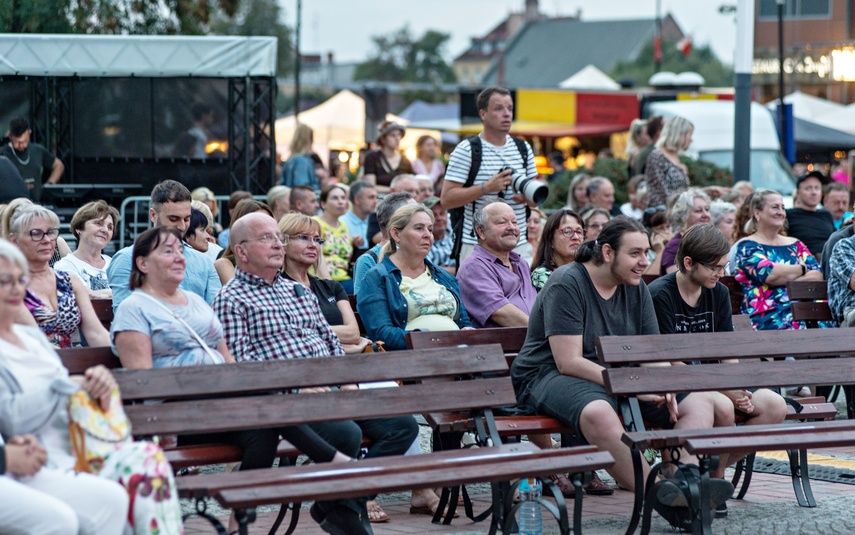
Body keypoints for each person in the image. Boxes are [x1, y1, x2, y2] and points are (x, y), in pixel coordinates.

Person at [510, 217, 731, 519]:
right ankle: (661, 497)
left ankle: (686, 482)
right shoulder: (567, 282)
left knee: (697, 401)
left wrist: (663, 381)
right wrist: (632, 384)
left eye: (646, 253)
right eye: (636, 253)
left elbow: (652, 350)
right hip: (547, 376)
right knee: (599, 412)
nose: (644, 262)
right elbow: (568, 361)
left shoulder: (636, 286)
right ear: (608, 252)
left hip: (615, 376)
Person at [214, 212, 406, 534]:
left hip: (329, 388)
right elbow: (243, 367)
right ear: (242, 252)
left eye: (278, 236)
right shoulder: (232, 299)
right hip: (288, 400)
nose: (277, 243)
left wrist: (346, 382)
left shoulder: (299, 292)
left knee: (400, 426)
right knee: (347, 433)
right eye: (266, 238)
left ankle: (335, 505)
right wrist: (297, 389)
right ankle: (347, 514)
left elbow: (331, 343)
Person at [0, 238, 186, 534]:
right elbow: (13, 418)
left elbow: (69, 389)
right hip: (42, 457)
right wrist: (66, 388)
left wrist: (93, 385)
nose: (13, 288)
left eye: (18, 280)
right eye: (2, 281)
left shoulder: (30, 338)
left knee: (145, 461)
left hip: (83, 445)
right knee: (124, 486)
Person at [279, 213, 419, 523]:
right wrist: (333, 335)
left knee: (404, 426)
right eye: (304, 238)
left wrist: (322, 332)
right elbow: (298, 335)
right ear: (283, 242)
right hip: (312, 384)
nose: (313, 245)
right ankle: (351, 500)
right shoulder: (279, 289)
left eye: (318, 239)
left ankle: (352, 495)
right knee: (350, 432)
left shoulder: (329, 286)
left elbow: (353, 333)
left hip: (348, 376)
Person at [649, 224, 787, 516]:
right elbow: (671, 360)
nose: (720, 274)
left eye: (724, 267)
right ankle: (715, 480)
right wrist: (727, 391)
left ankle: (710, 474)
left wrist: (738, 390)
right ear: (689, 263)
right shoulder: (661, 293)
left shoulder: (718, 293)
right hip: (680, 385)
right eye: (714, 267)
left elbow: (726, 353)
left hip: (716, 383)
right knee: (723, 405)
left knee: (774, 405)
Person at [441, 87, 537, 264]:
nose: (507, 114)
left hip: (518, 245)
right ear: (483, 114)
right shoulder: (467, 150)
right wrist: (486, 188)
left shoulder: (523, 148)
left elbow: (535, 195)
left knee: (523, 293)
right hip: (477, 246)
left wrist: (528, 198)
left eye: (510, 108)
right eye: (499, 109)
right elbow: (446, 199)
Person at [358, 204, 471, 350]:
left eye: (430, 229)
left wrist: (469, 332)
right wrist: (434, 341)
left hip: (457, 352)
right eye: (419, 228)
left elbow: (465, 323)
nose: (427, 235)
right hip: (412, 359)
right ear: (396, 234)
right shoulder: (377, 278)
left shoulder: (443, 276)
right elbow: (382, 334)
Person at [108, 180, 220, 313]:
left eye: (187, 219)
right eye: (174, 219)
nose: (182, 226)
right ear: (153, 215)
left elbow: (215, 315)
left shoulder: (204, 262)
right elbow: (126, 317)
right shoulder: (127, 258)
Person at [9, 204, 109, 348]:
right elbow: (37, 344)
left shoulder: (70, 281)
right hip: (24, 364)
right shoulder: (9, 285)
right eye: (36, 233)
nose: (47, 240)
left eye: (51, 232)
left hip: (69, 364)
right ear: (14, 240)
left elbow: (96, 333)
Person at [735, 190, 824, 331]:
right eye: (775, 207)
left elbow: (817, 275)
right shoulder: (747, 246)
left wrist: (786, 280)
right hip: (768, 317)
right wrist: (802, 269)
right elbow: (771, 274)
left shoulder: (796, 244)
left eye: (783, 207)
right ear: (757, 213)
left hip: (807, 314)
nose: (781, 212)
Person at [457, 200, 537, 329]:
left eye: (514, 222)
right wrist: (544, 332)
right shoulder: (474, 267)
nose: (511, 227)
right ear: (481, 232)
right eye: (502, 222)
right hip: (503, 345)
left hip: (534, 343)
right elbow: (501, 313)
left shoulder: (521, 263)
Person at [353, 192, 416, 296]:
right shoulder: (368, 261)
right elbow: (367, 307)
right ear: (395, 220)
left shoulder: (418, 255)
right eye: (414, 214)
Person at [54, 200, 119, 299]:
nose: (105, 230)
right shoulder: (64, 265)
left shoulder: (114, 263)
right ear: (79, 228)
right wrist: (116, 292)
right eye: (98, 223)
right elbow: (87, 295)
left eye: (110, 227)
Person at [0, 117, 64, 203]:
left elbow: (58, 166)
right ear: (10, 136)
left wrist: (49, 184)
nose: (21, 145)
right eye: (17, 142)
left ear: (29, 133)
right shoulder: (3, 154)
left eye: (25, 141)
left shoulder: (37, 150)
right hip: (11, 204)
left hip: (36, 203)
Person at [213, 199, 274, 286]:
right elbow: (239, 294)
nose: (266, 229)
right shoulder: (224, 264)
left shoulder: (276, 260)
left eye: (269, 223)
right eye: (258, 224)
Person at [530, 209, 585, 291]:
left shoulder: (587, 272)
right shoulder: (542, 275)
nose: (576, 237)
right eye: (567, 231)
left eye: (579, 232)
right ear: (550, 240)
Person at [785, 171, 835, 260]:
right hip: (802, 263)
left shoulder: (826, 215)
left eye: (817, 188)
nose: (814, 192)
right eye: (808, 188)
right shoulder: (788, 215)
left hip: (829, 262)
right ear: (798, 192)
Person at [660, 188, 711, 275]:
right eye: (698, 211)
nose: (705, 215)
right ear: (684, 215)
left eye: (707, 209)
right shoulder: (674, 247)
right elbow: (677, 281)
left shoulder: (710, 242)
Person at [644, 116, 693, 207]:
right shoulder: (657, 156)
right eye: (689, 135)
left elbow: (683, 192)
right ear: (680, 134)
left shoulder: (676, 158)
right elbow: (661, 193)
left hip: (678, 213)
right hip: (663, 216)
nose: (691, 139)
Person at [315, 184, 354, 293]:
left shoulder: (343, 225)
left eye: (343, 198)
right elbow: (317, 257)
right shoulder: (315, 223)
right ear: (323, 204)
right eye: (335, 198)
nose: (341, 202)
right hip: (321, 280)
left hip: (344, 278)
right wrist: (330, 284)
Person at [363, 121, 413, 193]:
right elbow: (370, 186)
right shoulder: (372, 158)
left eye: (399, 135)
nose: (397, 138)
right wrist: (394, 190)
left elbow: (412, 183)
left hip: (402, 202)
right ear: (383, 139)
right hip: (380, 201)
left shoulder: (405, 161)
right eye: (392, 135)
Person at [281, 123, 320, 194]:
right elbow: (302, 189)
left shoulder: (291, 159)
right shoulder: (301, 161)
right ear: (309, 140)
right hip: (303, 202)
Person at [339, 180, 376, 250]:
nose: (375, 201)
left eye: (376, 197)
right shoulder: (341, 222)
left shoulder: (378, 222)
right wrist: (351, 244)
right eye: (371, 197)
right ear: (357, 200)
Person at [424, 196, 456, 275]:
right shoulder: (422, 241)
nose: (439, 218)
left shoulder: (453, 233)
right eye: (434, 215)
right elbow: (429, 271)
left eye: (442, 213)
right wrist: (458, 269)